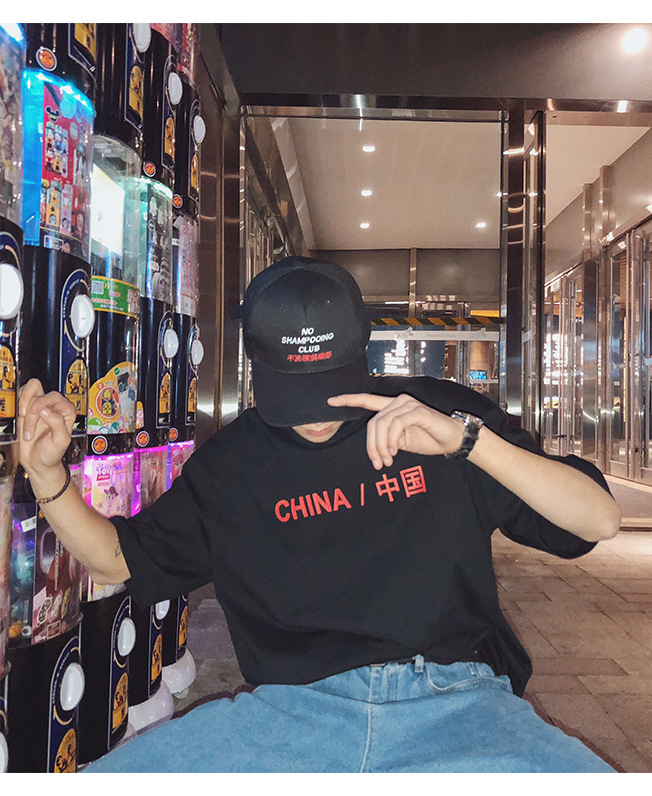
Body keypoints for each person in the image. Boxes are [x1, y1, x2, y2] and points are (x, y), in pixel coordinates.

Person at [18, 256, 621, 773]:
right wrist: (47, 475)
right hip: (290, 713)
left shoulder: (437, 414)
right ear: (256, 366)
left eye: (331, 387)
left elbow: (598, 520)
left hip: (458, 702)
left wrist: (471, 443)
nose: (316, 416)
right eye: (294, 393)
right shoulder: (233, 465)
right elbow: (116, 559)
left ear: (363, 351)